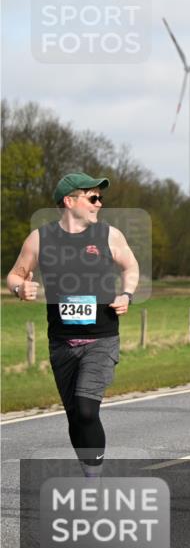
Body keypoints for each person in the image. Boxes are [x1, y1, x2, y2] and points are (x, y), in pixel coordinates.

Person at [6, 173, 139, 477]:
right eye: (93, 197)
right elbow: (14, 275)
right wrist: (19, 288)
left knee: (86, 410)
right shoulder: (40, 238)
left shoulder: (109, 235)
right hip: (61, 343)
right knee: (75, 417)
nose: (99, 203)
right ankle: (90, 474)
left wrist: (127, 294)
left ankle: (94, 485)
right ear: (69, 201)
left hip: (101, 340)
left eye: (100, 198)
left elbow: (130, 266)